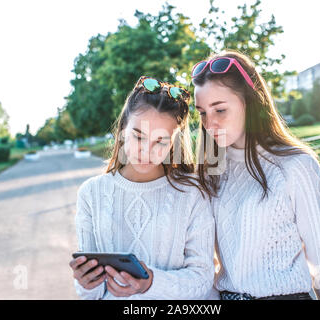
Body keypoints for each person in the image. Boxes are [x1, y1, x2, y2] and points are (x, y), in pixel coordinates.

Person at [191, 50, 320, 300]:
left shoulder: (296, 165)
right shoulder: (208, 172)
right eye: (202, 113)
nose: (209, 124)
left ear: (250, 102)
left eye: (220, 110)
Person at [69, 76, 215, 300]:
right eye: (138, 136)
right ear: (122, 131)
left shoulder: (193, 194)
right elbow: (92, 294)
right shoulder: (91, 193)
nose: (147, 151)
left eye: (161, 141)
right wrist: (87, 284)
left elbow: (203, 279)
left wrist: (150, 284)